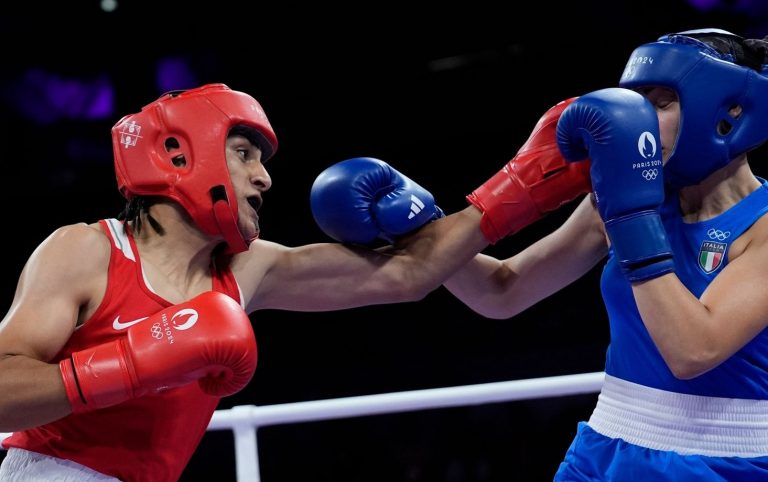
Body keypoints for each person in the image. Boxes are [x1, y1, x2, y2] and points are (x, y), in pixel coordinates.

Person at [0, 83, 590, 481]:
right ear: (180, 155)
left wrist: (521, 187)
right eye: (244, 155)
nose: (264, 179)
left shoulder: (248, 268)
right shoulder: (86, 250)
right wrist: (130, 363)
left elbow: (411, 274)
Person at [438, 28, 768, 481]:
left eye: (661, 102)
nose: (639, 120)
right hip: (604, 445)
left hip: (722, 461)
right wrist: (423, 227)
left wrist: (631, 218)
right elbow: (502, 290)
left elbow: (693, 350)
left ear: (729, 111)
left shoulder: (761, 227)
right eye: (636, 101)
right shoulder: (618, 199)